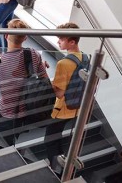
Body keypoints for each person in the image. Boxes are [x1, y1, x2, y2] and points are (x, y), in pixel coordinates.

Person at [0, 19, 49, 146]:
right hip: (29, 109)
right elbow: (45, 80)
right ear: (25, 38)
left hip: (9, 113)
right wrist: (40, 64)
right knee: (9, 138)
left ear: (6, 36)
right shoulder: (34, 54)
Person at [44, 22, 85, 176]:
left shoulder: (63, 63)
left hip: (62, 110)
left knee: (49, 140)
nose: (58, 42)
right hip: (77, 108)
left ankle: (58, 171)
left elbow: (59, 94)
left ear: (72, 42)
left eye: (61, 39)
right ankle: (62, 166)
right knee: (56, 137)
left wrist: (47, 78)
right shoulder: (85, 58)